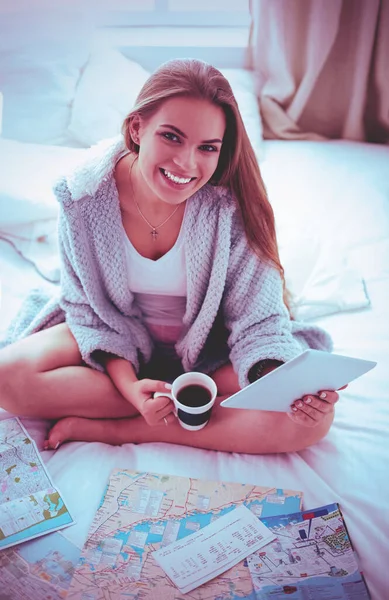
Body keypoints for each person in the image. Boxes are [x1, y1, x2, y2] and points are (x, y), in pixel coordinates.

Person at [0, 58, 341, 454]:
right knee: (7, 377)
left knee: (308, 423)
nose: (186, 164)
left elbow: (258, 321)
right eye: (172, 137)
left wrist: (283, 384)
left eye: (207, 147)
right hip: (117, 344)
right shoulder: (82, 198)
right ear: (137, 127)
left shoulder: (232, 207)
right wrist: (131, 389)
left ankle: (120, 429)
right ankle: (179, 409)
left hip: (211, 353)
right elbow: (88, 312)